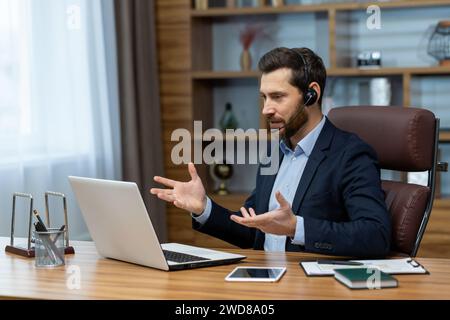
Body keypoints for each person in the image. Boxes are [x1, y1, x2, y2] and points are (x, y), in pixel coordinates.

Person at [151, 47, 391, 257]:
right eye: (264, 97)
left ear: (312, 94)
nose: (266, 109)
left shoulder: (350, 154)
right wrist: (204, 207)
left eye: (277, 97)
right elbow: (252, 229)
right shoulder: (274, 152)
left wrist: (296, 227)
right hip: (265, 282)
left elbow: (375, 235)